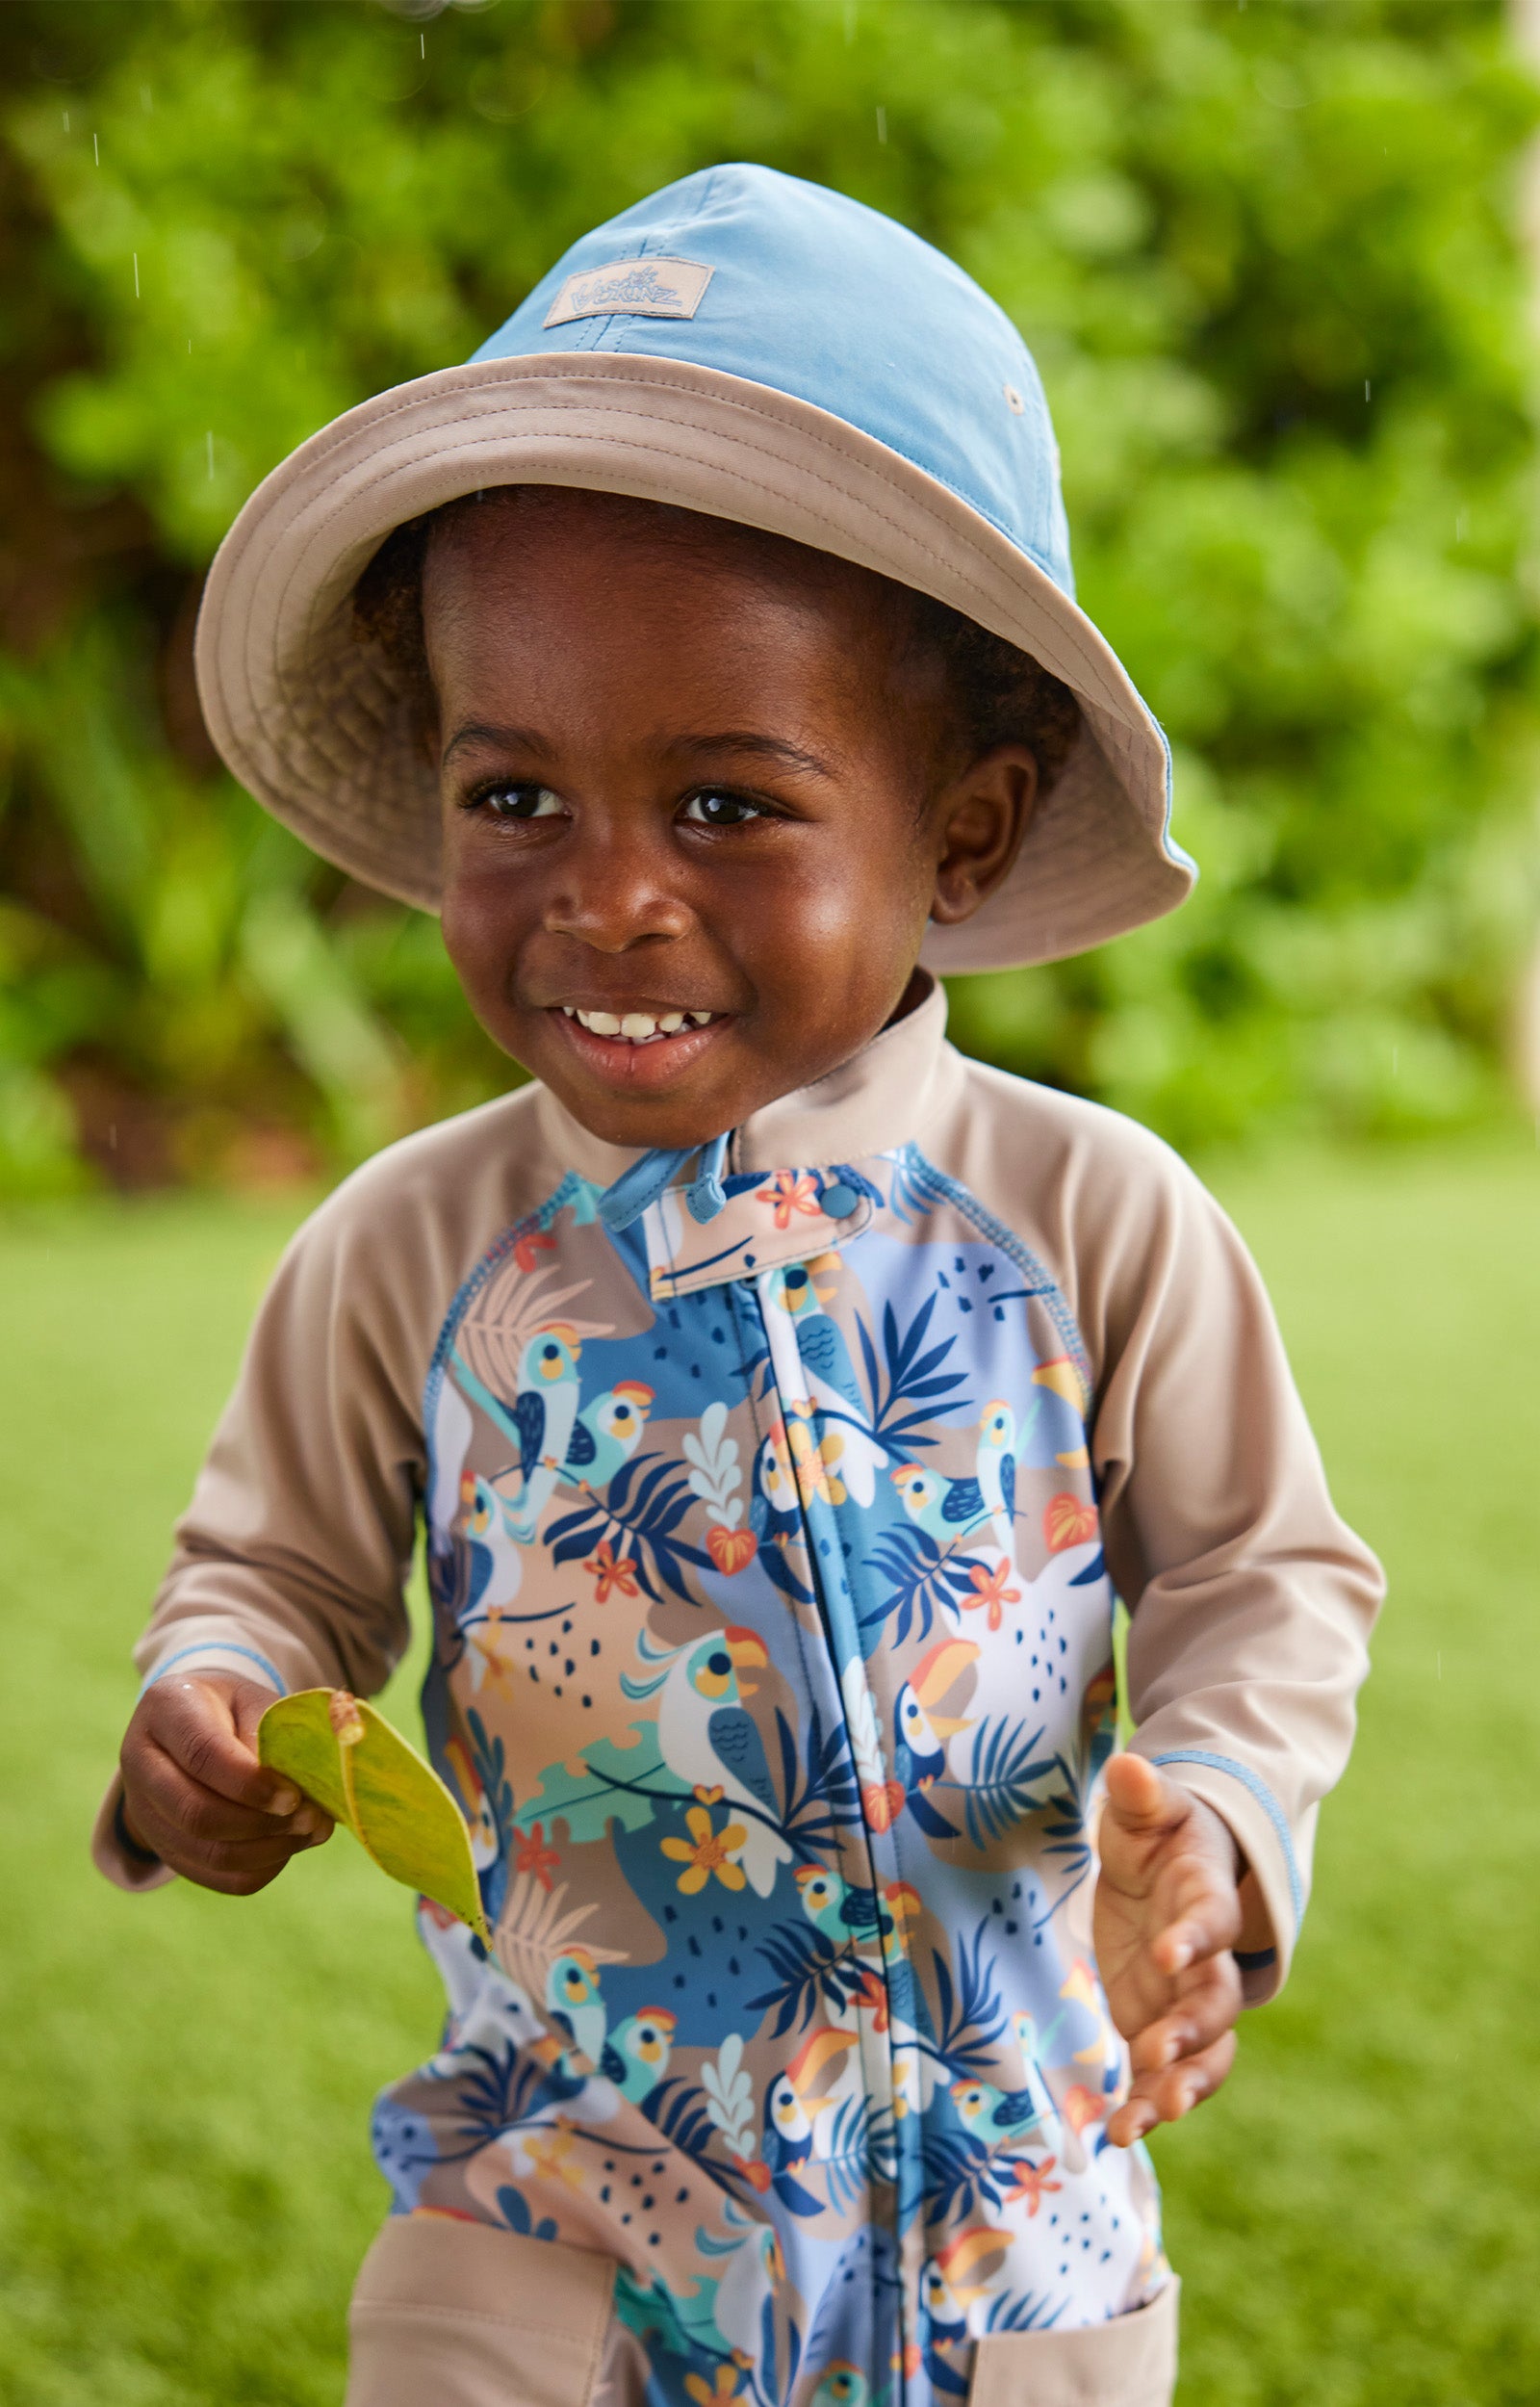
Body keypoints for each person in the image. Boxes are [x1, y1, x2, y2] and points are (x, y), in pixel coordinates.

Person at [94, 166, 1381, 2407]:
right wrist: (215, 1703)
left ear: (957, 834)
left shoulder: (1090, 1219)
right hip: (545, 2251)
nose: (602, 897)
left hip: (1015, 2259)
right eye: (515, 792)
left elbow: (1266, 1573)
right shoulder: (407, 1248)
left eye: (722, 808)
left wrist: (1224, 1829)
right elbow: (266, 1574)